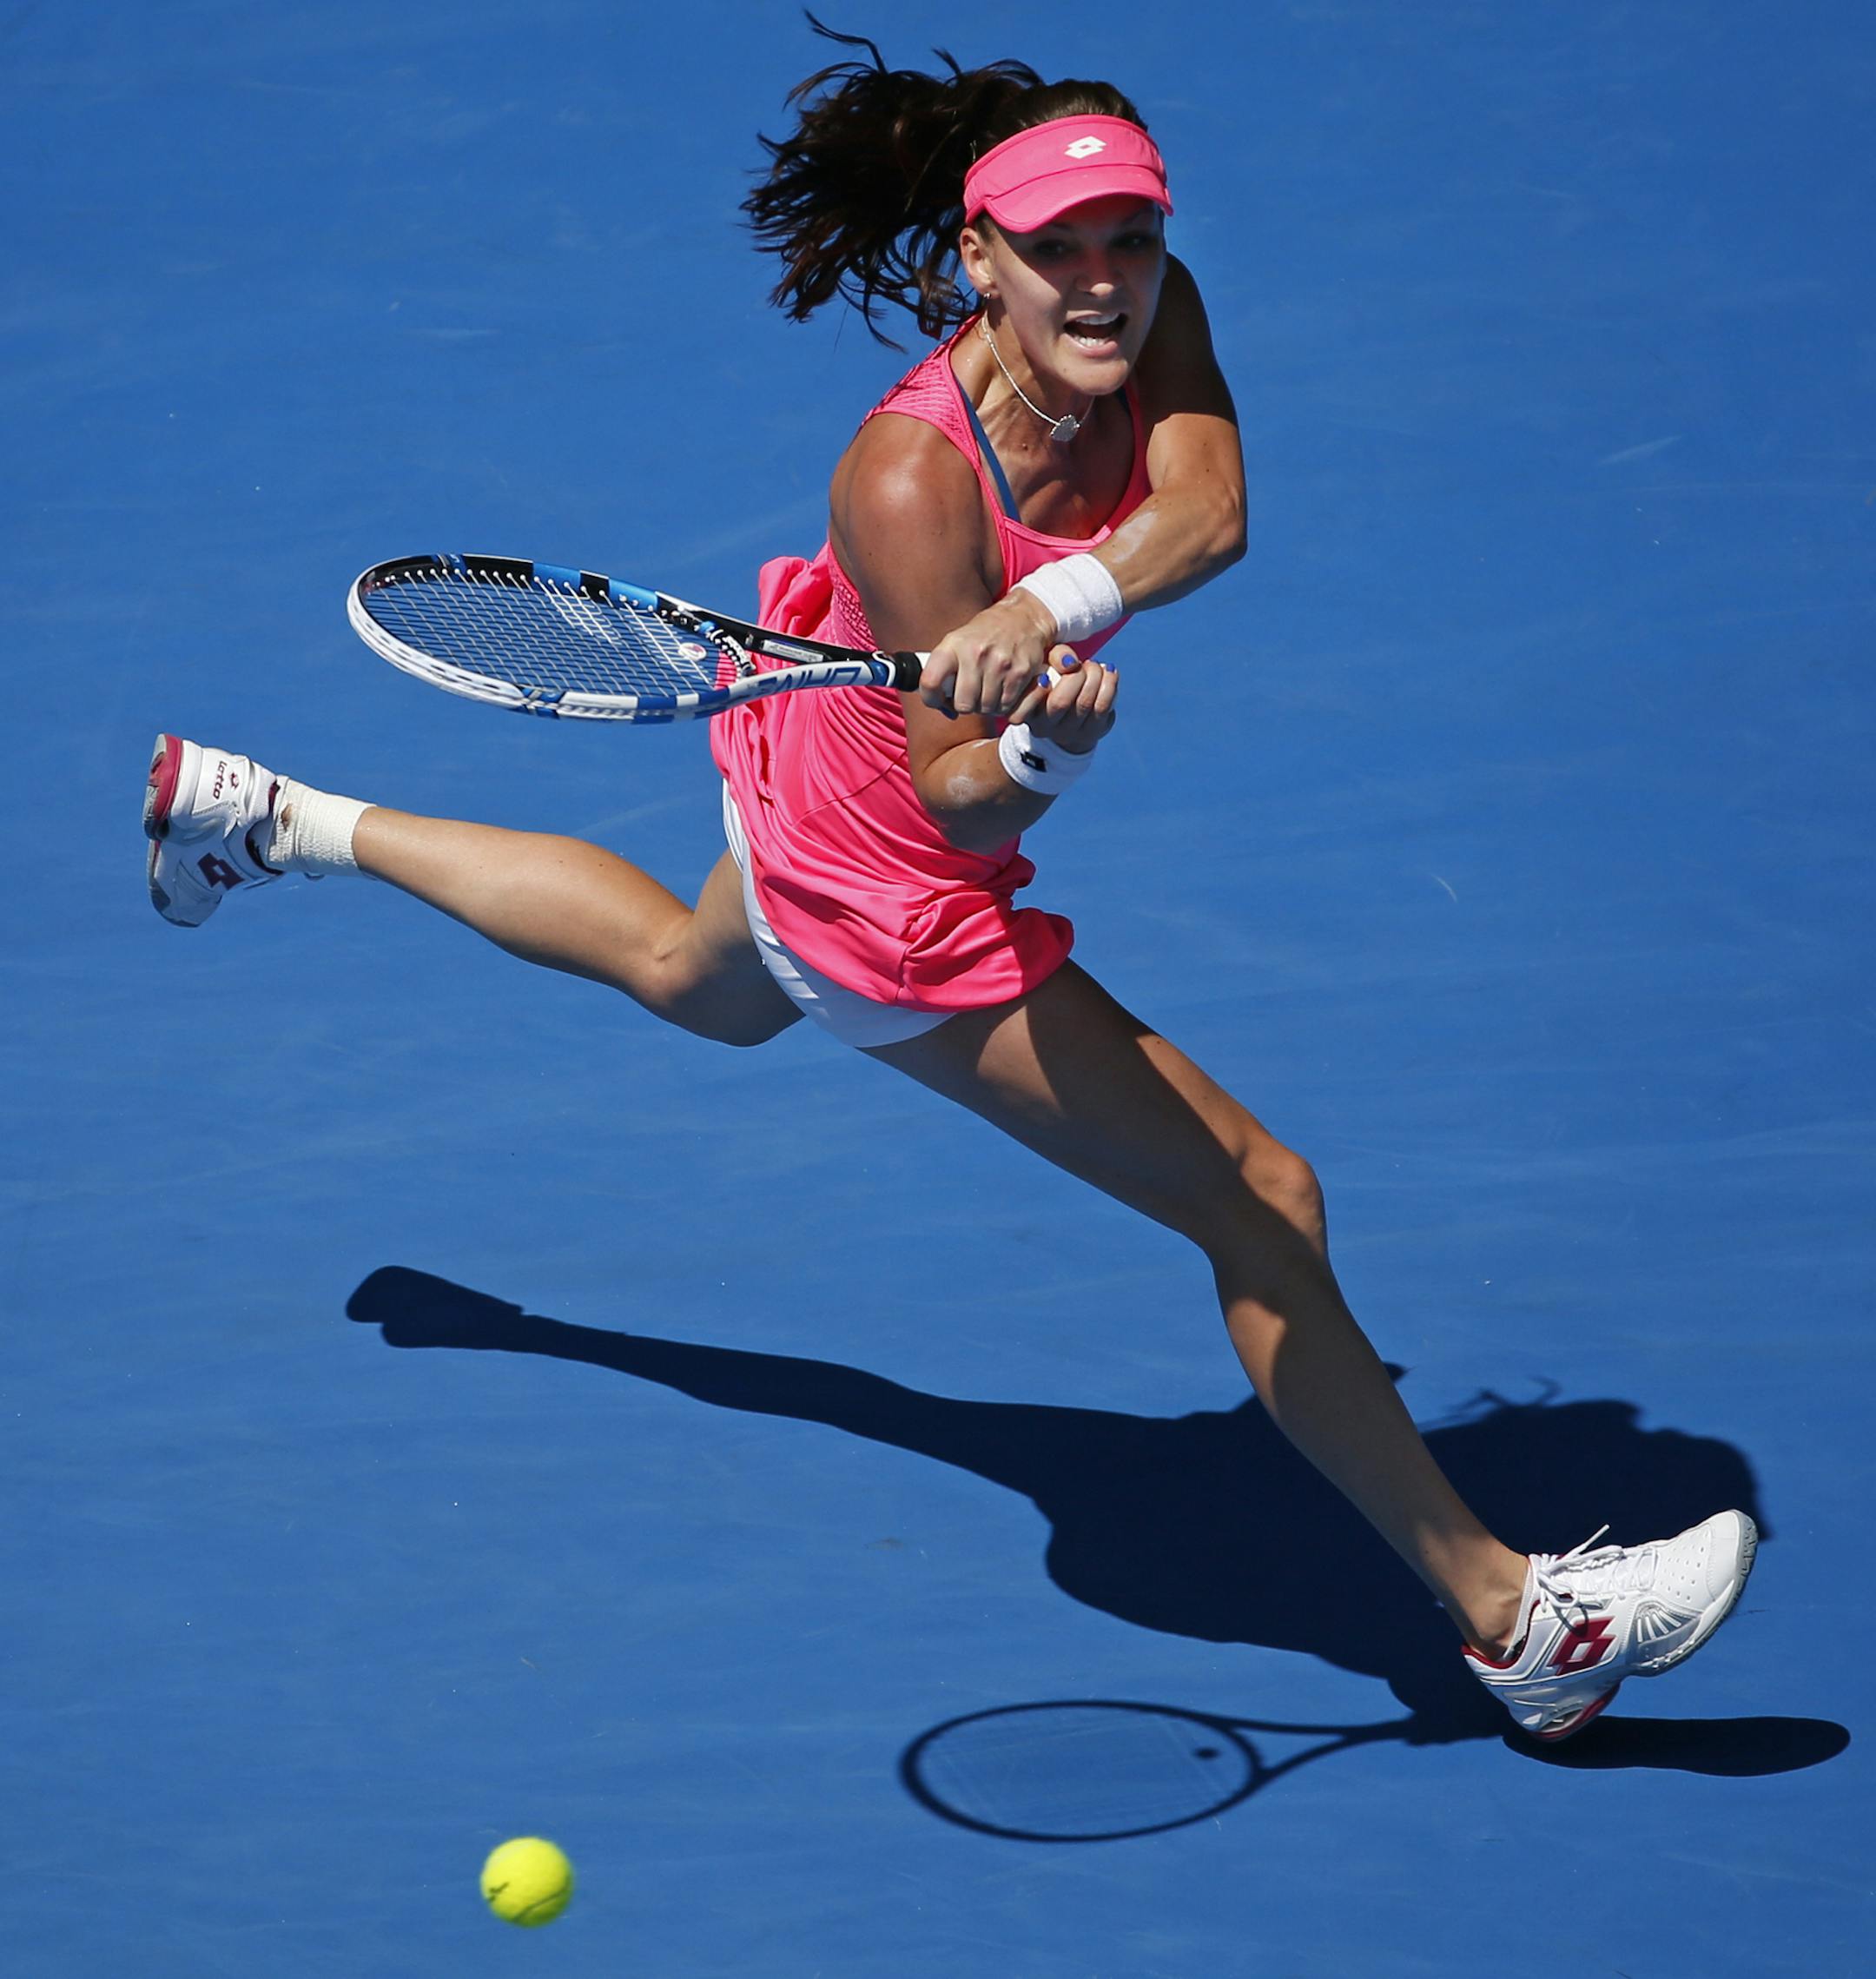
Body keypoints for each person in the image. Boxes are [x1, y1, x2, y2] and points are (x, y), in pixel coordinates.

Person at [142, 26, 1754, 1742]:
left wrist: (1047, 615)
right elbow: (962, 811)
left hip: (842, 779)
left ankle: (271, 815)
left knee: (695, 975)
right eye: (1055, 252)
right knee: (1261, 1199)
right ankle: (1519, 1621)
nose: (1105, 283)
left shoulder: (1152, 303)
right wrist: (1043, 752)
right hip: (885, 872)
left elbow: (1210, 509)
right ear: (977, 261)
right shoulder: (907, 479)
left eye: (1126, 241)